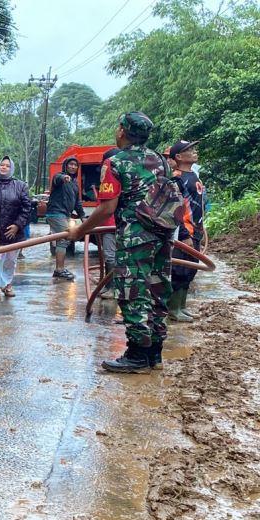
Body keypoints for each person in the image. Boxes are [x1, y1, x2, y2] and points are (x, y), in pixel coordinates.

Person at [70, 112, 173, 374]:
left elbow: (107, 208)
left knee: (133, 292)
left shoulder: (115, 163)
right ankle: (154, 354)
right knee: (157, 289)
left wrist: (78, 231)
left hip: (135, 238)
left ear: (122, 132)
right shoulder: (161, 160)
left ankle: (137, 355)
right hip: (162, 235)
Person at [168, 140, 206, 322]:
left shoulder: (194, 175)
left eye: (193, 148)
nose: (194, 151)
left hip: (196, 230)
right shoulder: (176, 178)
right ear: (179, 157)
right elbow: (175, 209)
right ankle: (173, 309)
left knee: (191, 271)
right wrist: (183, 234)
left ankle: (182, 306)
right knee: (180, 270)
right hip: (183, 233)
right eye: (188, 150)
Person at [0, 156, 33, 301]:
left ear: (11, 168)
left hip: (14, 233)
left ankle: (7, 285)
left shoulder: (20, 186)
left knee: (10, 261)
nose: (4, 167)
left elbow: (27, 208)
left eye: (7, 165)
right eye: (2, 165)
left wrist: (18, 225)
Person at [45, 157, 85, 280]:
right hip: (56, 213)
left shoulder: (75, 184)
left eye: (75, 165)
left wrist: (83, 216)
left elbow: (77, 202)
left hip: (65, 214)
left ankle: (60, 269)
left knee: (64, 239)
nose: (73, 167)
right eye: (70, 164)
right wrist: (63, 178)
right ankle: (59, 270)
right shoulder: (60, 176)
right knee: (64, 239)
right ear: (66, 166)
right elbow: (57, 179)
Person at [97, 148, 121, 300]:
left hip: (113, 223)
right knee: (113, 256)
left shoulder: (113, 174)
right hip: (116, 224)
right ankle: (112, 286)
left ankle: (112, 288)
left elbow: (107, 207)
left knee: (111, 256)